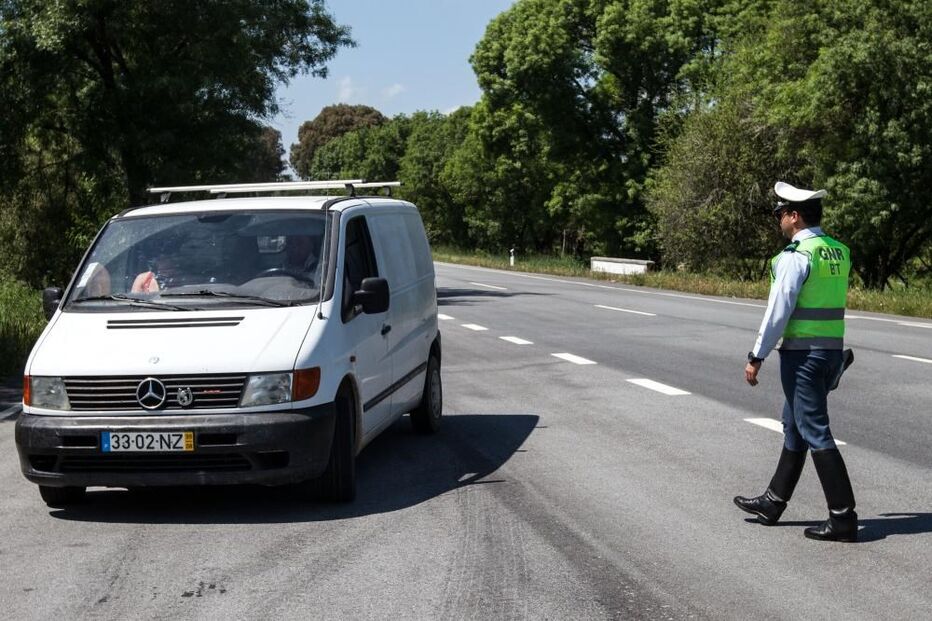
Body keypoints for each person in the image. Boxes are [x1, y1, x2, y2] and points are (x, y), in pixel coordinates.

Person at [734, 181, 858, 542]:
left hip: (803, 356)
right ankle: (773, 502)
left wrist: (756, 356)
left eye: (780, 214)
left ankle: (843, 518)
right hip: (831, 352)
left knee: (815, 430)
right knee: (794, 423)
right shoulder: (838, 251)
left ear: (794, 216)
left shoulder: (796, 256)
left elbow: (778, 312)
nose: (779, 221)